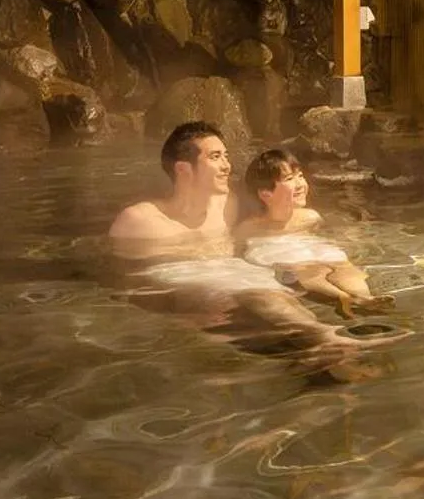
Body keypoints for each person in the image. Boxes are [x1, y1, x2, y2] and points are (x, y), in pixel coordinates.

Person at [109, 122, 360, 356]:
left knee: (273, 285)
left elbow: (270, 221)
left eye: (226, 156)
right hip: (189, 292)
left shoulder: (229, 205)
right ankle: (325, 337)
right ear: (183, 169)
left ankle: (324, 344)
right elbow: (123, 283)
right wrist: (177, 317)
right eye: (215, 157)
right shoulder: (140, 221)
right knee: (253, 289)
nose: (227, 165)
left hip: (236, 281)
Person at [236, 148, 384, 317]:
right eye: (290, 178)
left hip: (309, 246)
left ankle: (365, 297)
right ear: (265, 193)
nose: (300, 184)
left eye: (300, 176)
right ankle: (342, 296)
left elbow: (327, 235)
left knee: (342, 264)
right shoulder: (250, 228)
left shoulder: (310, 217)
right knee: (309, 270)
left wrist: (349, 238)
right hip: (281, 254)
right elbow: (237, 251)